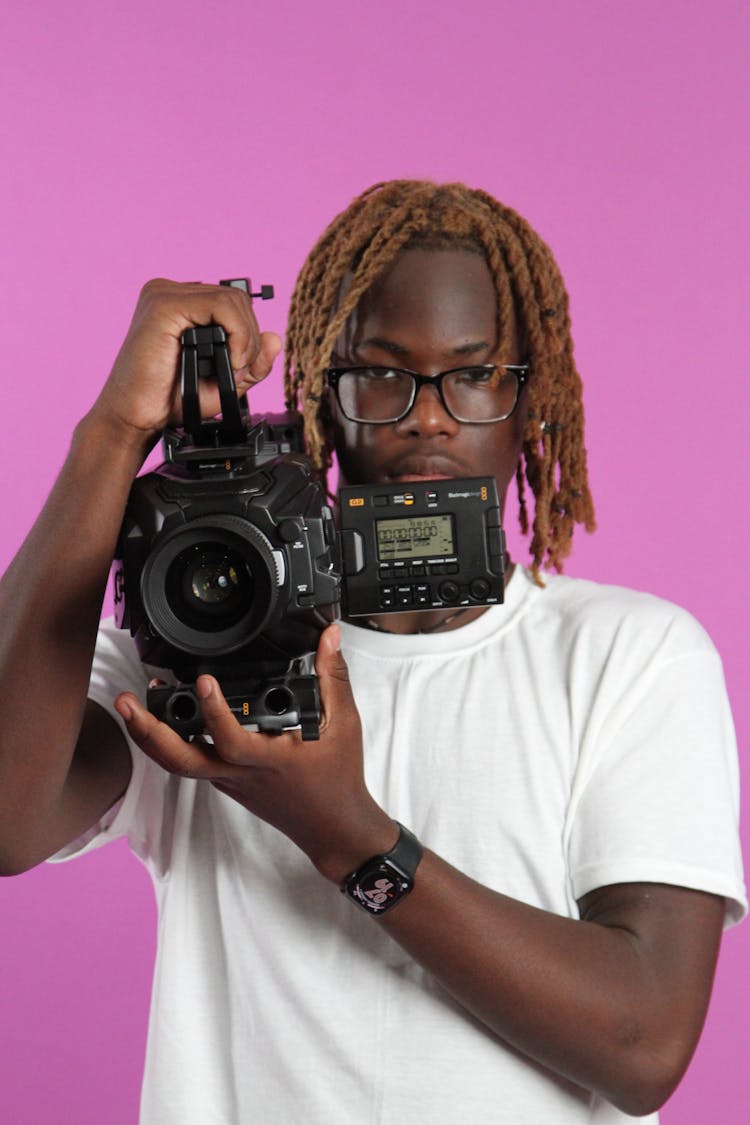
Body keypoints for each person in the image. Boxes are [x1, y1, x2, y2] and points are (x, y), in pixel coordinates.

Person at [0, 180, 745, 1124]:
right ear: (319, 400)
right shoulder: (195, 649)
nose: (427, 418)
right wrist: (113, 433)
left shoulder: (629, 658)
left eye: (475, 375)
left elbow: (644, 1044)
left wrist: (349, 837)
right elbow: (5, 819)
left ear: (533, 406)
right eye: (381, 374)